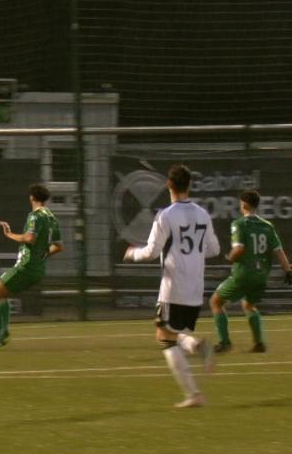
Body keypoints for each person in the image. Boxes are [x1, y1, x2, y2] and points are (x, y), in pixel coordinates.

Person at [124, 164, 220, 408]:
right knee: (171, 333)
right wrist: (193, 256)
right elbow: (214, 249)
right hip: (195, 287)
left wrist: (132, 253)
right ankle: (195, 349)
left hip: (173, 285)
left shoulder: (166, 215)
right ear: (189, 185)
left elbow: (151, 252)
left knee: (164, 337)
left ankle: (194, 391)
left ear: (169, 185)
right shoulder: (202, 214)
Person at [210, 189, 292, 354]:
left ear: (244, 204)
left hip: (243, 275)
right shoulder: (267, 226)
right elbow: (278, 250)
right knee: (249, 305)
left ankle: (224, 342)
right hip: (261, 276)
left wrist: (229, 257)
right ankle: (259, 343)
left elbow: (239, 249)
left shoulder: (239, 224)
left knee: (215, 302)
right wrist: (288, 269)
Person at [0, 183, 64, 350]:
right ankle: (3, 332)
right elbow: (58, 246)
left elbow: (29, 238)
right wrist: (42, 255)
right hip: (38, 268)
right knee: (2, 296)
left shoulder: (35, 216)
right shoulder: (52, 217)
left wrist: (9, 234)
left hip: (25, 267)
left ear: (32, 198)